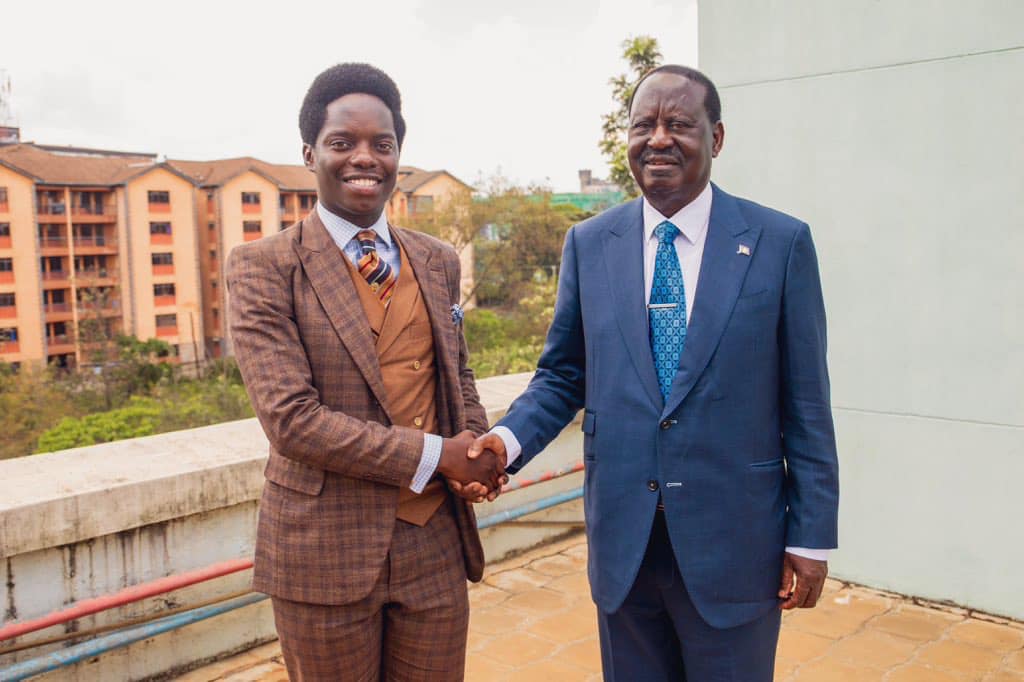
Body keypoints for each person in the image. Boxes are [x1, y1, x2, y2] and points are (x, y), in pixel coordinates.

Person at [465, 65, 839, 680]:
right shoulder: (589, 243)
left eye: (679, 124)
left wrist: (811, 536)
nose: (658, 138)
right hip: (625, 549)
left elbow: (808, 404)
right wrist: (503, 445)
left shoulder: (779, 242)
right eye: (644, 124)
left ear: (716, 139)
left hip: (737, 548)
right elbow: (563, 376)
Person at [226, 62, 504, 681]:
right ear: (310, 153)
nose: (364, 158)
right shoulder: (262, 267)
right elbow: (292, 421)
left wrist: (477, 451)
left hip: (432, 540)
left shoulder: (434, 258)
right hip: (325, 548)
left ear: (398, 154)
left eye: (382, 144)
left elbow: (455, 373)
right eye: (342, 143)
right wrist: (439, 455)